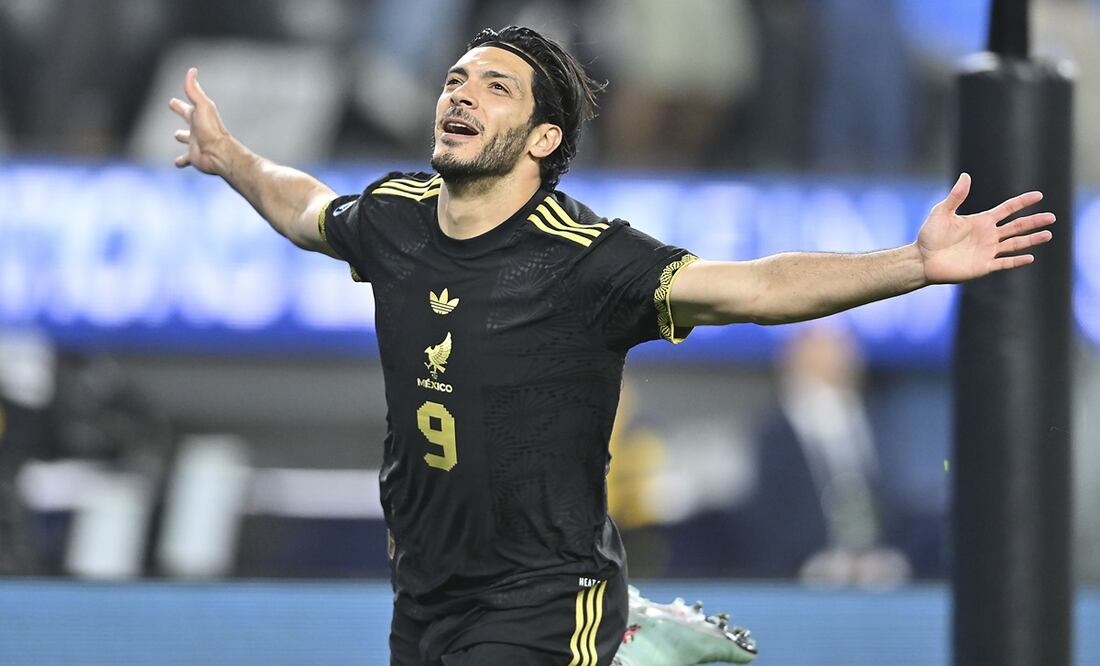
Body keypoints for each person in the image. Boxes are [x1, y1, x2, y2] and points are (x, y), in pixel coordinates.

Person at [169, 25, 1054, 666]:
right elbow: (306, 209)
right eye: (454, 78)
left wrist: (914, 262)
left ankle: (618, 637)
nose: (460, 95)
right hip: (426, 593)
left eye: (493, 87)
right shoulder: (396, 215)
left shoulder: (586, 258)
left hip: (546, 598)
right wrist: (232, 157)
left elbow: (751, 288)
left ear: (541, 139)